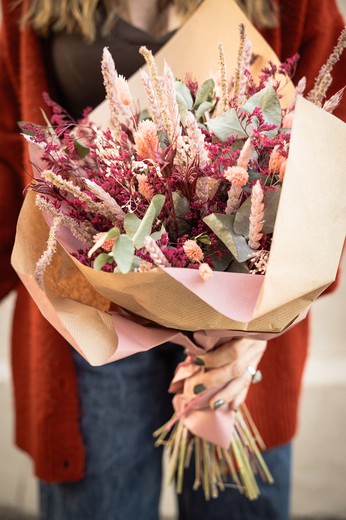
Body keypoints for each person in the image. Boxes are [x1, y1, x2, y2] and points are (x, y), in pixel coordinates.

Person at [0, 0, 345, 519]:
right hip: (90, 314)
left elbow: (332, 153)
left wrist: (264, 326)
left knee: (235, 505)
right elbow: (10, 153)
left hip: (241, 334)